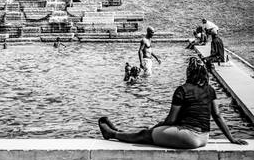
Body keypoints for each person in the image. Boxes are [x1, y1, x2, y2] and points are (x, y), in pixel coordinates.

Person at [99, 57, 247, 149]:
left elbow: (171, 120)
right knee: (152, 132)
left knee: (145, 134)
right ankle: (117, 132)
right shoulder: (210, 90)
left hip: (190, 137)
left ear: (189, 72)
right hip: (204, 138)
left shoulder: (182, 90)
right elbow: (218, 116)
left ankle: (112, 133)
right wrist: (231, 138)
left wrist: (155, 127)